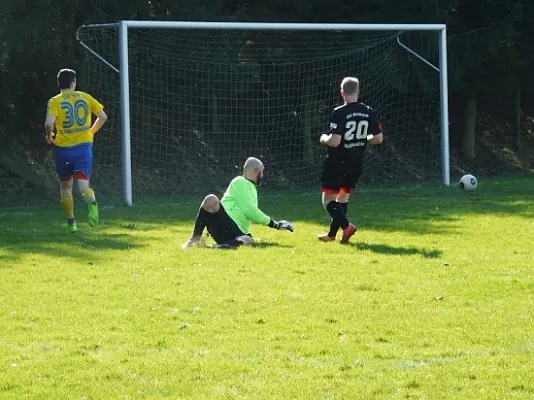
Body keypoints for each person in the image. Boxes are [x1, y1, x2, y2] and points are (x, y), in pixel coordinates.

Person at [318, 77, 383, 244]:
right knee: (343, 199)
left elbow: (335, 141)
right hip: (356, 163)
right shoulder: (370, 112)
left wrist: (323, 138)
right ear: (358, 92)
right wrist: (361, 139)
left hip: (337, 162)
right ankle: (333, 235)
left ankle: (347, 226)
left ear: (342, 92)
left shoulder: (339, 112)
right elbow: (378, 138)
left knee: (328, 200)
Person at [45, 69, 108, 233]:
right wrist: (91, 132)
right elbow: (103, 117)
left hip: (63, 150)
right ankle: (90, 200)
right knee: (83, 186)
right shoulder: (85, 97)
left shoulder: (55, 101)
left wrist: (49, 135)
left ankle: (72, 224)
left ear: (59, 83)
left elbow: (48, 123)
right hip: (83, 148)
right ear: (73, 83)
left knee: (65, 188)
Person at [182, 157, 294, 249]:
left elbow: (249, 213)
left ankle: (217, 247)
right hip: (223, 223)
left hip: (234, 232)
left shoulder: (251, 188)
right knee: (211, 199)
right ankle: (194, 238)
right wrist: (276, 225)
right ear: (256, 171)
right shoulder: (240, 182)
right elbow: (250, 211)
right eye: (262, 172)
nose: (262, 175)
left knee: (247, 239)